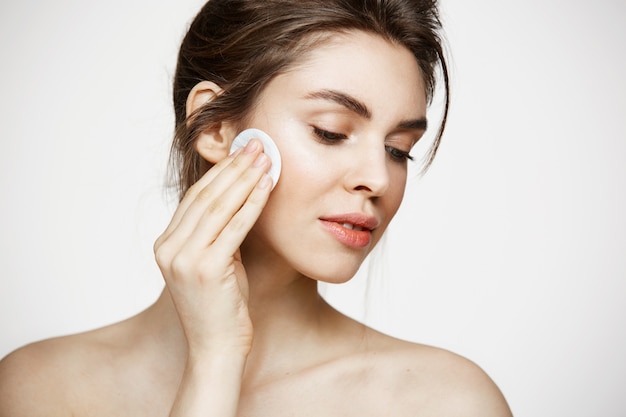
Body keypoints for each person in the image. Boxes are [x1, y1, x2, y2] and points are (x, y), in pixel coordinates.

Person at [0, 0, 512, 415]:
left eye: (398, 149)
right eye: (330, 132)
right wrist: (214, 362)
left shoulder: (445, 401)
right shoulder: (39, 389)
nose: (378, 178)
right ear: (215, 129)